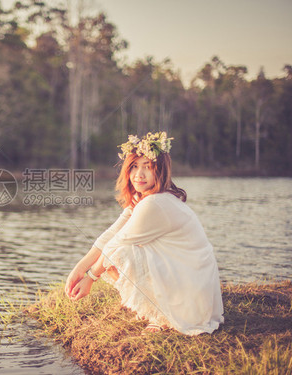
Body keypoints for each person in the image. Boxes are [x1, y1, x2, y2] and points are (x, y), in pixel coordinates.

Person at [65, 132, 224, 335]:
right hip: (193, 282)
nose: (138, 174)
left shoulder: (154, 203)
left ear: (160, 171)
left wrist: (90, 278)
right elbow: (113, 232)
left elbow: (115, 246)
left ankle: (162, 316)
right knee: (119, 250)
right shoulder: (148, 197)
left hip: (191, 291)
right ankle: (159, 308)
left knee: (120, 253)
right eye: (134, 167)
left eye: (147, 167)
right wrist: (80, 268)